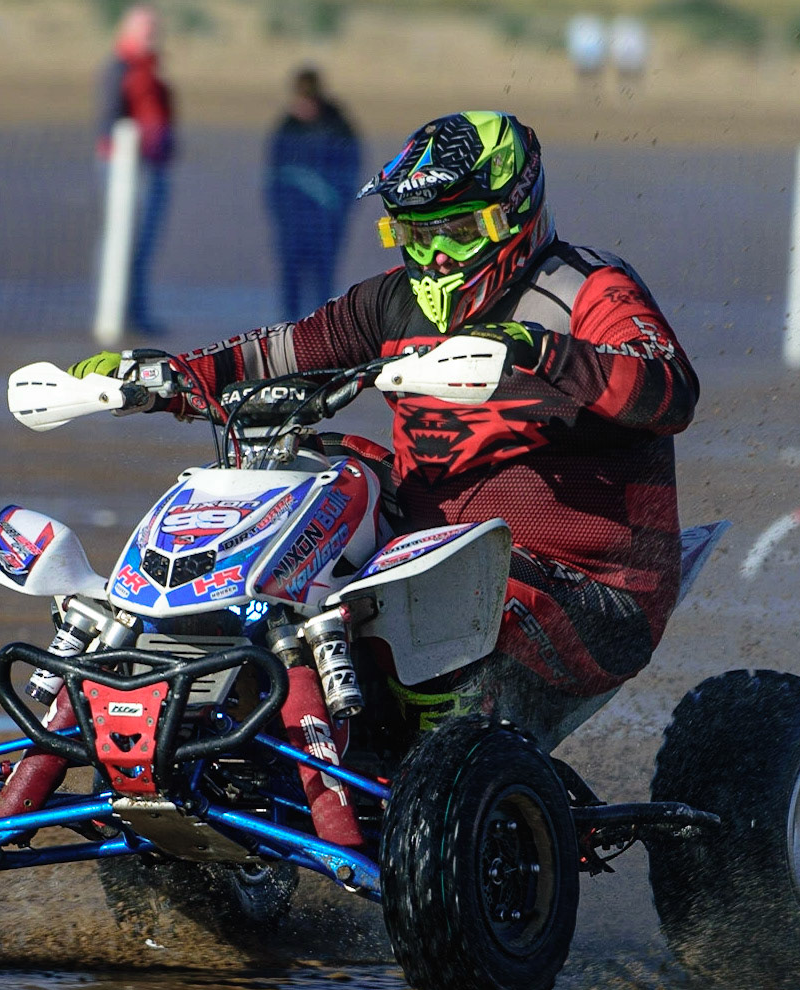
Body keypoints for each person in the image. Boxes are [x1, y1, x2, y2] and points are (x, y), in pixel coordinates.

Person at [66, 111, 698, 744]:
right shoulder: (389, 301)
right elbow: (275, 354)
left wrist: (538, 352)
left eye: (456, 230)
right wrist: (161, 377)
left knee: (438, 591)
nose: (437, 257)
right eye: (416, 235)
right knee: (314, 475)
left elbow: (670, 391)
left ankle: (442, 769)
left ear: (514, 212)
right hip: (424, 556)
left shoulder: (586, 289)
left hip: (595, 587)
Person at [97, 5, 175, 334]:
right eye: (145, 29)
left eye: (153, 29)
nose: (151, 36)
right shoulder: (119, 67)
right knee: (123, 243)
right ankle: (118, 313)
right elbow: (109, 120)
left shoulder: (152, 71)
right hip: (127, 170)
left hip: (153, 168)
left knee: (142, 246)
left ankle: (136, 312)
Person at [264, 69, 361, 320]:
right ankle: (288, 330)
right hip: (292, 219)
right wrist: (280, 210)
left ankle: (322, 328)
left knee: (322, 279)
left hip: (325, 221)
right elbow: (273, 175)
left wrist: (338, 209)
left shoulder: (338, 127)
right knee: (291, 278)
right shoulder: (287, 127)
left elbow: (351, 172)